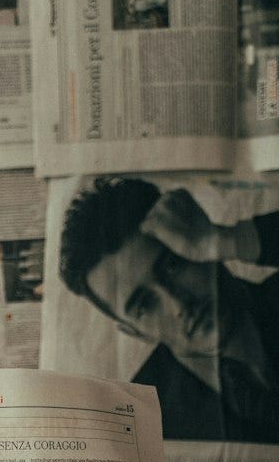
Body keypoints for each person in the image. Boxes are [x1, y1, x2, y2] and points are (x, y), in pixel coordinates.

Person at [59, 177, 279, 443]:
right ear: (133, 331)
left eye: (173, 266)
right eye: (144, 304)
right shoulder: (141, 424)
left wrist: (229, 239)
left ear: (198, 243)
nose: (178, 304)